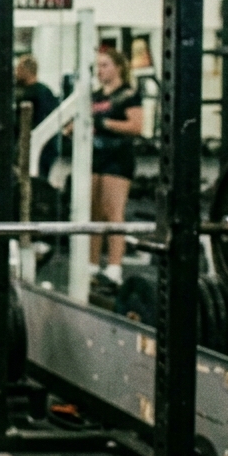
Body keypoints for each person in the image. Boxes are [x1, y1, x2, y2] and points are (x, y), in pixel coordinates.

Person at [89, 48, 144, 286]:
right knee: (92, 214)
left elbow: (136, 126)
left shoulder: (128, 95)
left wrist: (106, 123)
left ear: (119, 67)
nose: (100, 70)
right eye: (98, 66)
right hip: (95, 156)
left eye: (105, 65)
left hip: (118, 157)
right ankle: (91, 264)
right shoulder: (95, 96)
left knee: (113, 213)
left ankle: (114, 267)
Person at [14, 54, 60, 177]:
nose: (16, 72)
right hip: (20, 145)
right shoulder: (18, 91)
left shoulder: (43, 92)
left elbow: (47, 121)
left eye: (18, 69)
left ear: (26, 70)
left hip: (41, 148)